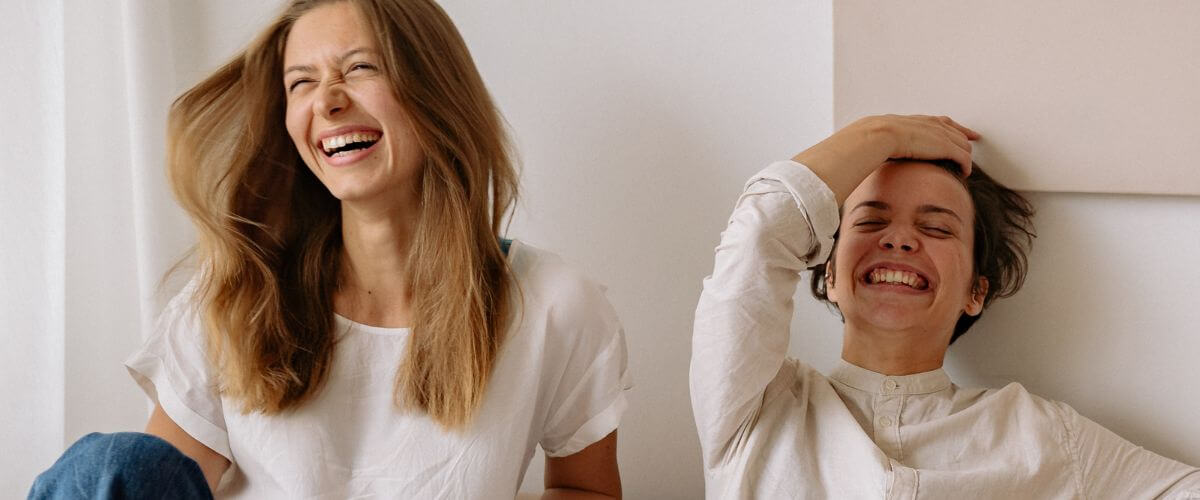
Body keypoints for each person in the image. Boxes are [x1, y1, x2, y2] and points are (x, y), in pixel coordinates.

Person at [30, 1, 629, 498]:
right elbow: (153, 482)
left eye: (360, 67)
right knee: (113, 465)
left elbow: (587, 490)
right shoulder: (237, 298)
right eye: (301, 83)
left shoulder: (553, 304)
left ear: (434, 89)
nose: (328, 100)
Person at [690, 114, 1200, 498]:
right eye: (870, 222)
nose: (900, 240)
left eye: (936, 228)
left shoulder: (1042, 436)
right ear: (829, 274)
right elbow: (760, 232)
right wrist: (884, 133)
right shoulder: (755, 406)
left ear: (975, 292)